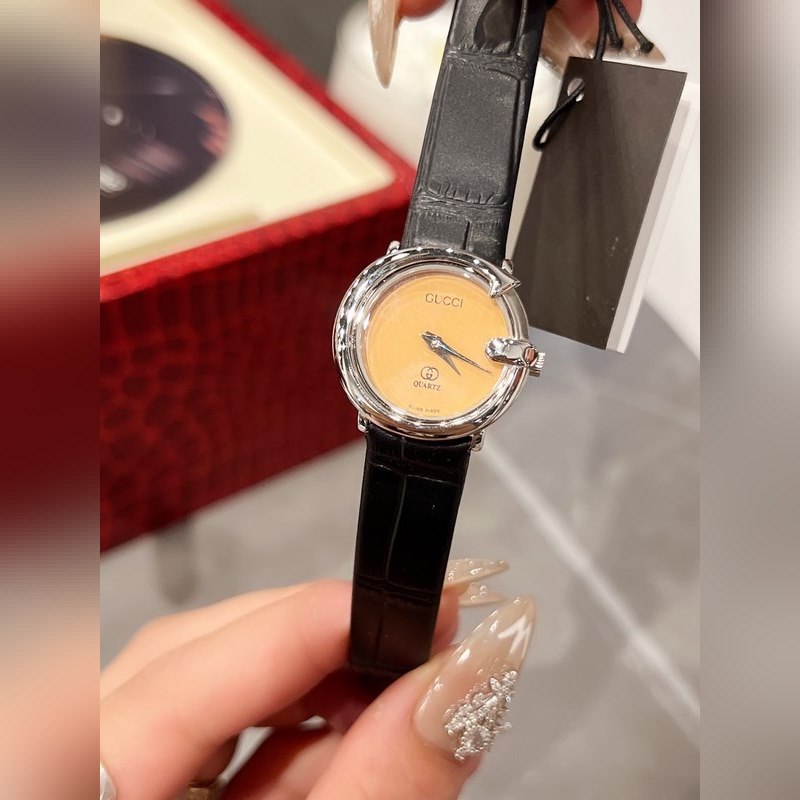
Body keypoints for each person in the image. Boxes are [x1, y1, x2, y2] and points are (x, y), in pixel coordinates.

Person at [101, 2, 645, 797]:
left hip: (420, 422)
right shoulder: (389, 314)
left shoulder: (410, 317)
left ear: (515, 363)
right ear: (358, 315)